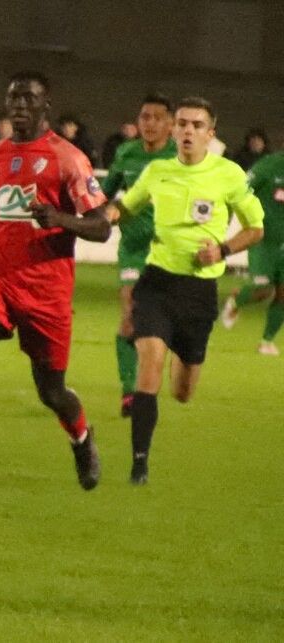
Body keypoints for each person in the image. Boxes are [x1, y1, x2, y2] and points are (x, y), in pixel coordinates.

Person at [0, 71, 110, 494]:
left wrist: (60, 219)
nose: (21, 107)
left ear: (46, 106)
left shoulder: (69, 158)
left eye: (30, 100)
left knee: (51, 391)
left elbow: (101, 227)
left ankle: (82, 440)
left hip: (47, 290)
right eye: (14, 100)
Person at [108, 97, 264, 485]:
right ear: (174, 130)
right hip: (157, 283)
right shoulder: (157, 172)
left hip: (199, 293)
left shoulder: (228, 175)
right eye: (183, 124)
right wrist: (101, 216)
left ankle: (186, 352)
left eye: (197, 125)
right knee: (150, 366)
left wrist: (223, 249)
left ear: (210, 134)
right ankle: (139, 462)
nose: (188, 131)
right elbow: (124, 208)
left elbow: (256, 227)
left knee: (182, 392)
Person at [101, 94, 176, 417]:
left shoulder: (182, 157)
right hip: (133, 249)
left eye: (158, 118)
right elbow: (103, 195)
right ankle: (130, 391)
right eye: (145, 117)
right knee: (130, 315)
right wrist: (102, 213)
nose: (150, 123)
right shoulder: (126, 153)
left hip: (170, 251)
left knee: (161, 327)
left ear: (171, 125)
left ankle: (152, 381)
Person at [222, 148, 284, 356]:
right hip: (264, 240)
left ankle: (266, 341)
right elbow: (240, 190)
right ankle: (237, 300)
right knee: (263, 289)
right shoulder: (268, 166)